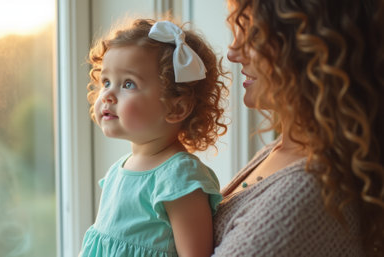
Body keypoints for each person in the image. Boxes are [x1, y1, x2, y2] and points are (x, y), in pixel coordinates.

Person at [212, 0, 384, 256]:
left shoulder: (307, 191)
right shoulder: (285, 149)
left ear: (313, 46)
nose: (234, 52)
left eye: (253, 33)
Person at [79, 18, 229, 257]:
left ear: (176, 108)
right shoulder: (118, 170)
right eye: (106, 82)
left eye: (128, 84)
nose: (107, 94)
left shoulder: (180, 177)